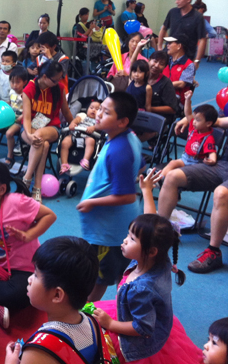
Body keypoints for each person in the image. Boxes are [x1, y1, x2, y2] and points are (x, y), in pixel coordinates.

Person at [93, 213, 202, 363]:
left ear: (151, 251)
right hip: (138, 313)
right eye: (128, 234)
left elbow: (142, 328)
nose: (125, 240)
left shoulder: (141, 290)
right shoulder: (157, 260)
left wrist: (110, 324)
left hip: (138, 335)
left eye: (132, 239)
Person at [0, 160, 56, 329]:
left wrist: (29, 235)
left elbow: (50, 216)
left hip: (22, 268)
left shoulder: (17, 203)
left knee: (24, 295)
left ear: (2, 189)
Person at [77, 92, 143, 302]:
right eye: (99, 109)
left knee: (99, 279)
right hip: (114, 227)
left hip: (109, 232)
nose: (97, 114)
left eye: (105, 112)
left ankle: (86, 313)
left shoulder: (119, 151)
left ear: (122, 122)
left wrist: (91, 202)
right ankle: (121, 308)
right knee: (115, 273)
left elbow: (127, 197)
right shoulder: (128, 137)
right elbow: (140, 168)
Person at [3, 236, 101, 364]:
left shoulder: (38, 351)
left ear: (57, 295)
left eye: (36, 275)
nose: (29, 279)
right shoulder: (92, 322)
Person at [157, 112, 228, 274]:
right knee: (172, 176)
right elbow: (213, 118)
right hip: (223, 164)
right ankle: (159, 231)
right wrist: (188, 118)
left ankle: (214, 252)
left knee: (221, 193)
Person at [21, 61, 73, 202]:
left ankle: (26, 178)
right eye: (55, 80)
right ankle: (37, 187)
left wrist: (73, 125)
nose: (58, 82)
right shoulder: (29, 89)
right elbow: (26, 118)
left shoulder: (59, 88)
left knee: (39, 137)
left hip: (51, 128)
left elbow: (66, 111)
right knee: (43, 145)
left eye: (60, 79)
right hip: (29, 128)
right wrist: (29, 135)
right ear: (44, 77)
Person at [160, 93, 217, 180]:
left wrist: (212, 160)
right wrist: (187, 100)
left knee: (177, 173)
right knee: (172, 163)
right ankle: (160, 178)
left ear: (208, 123)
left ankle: (165, 179)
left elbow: (212, 152)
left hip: (196, 163)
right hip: (185, 158)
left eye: (197, 120)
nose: (194, 121)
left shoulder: (208, 138)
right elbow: (188, 114)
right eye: (194, 119)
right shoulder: (193, 128)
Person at [0, 66, 29, 165]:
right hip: (8, 118)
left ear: (25, 82)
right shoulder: (12, 91)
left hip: (18, 121)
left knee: (9, 133)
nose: (14, 85)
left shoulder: (26, 94)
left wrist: (22, 117)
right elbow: (10, 103)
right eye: (12, 82)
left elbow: (28, 110)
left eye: (18, 82)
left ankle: (10, 156)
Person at [158, 0, 207, 69]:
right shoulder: (172, 12)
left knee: (183, 77)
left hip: (187, 56)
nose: (176, 2)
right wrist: (159, 47)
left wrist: (197, 60)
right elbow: (163, 29)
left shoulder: (198, 17)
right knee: (164, 76)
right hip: (169, 53)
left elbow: (202, 39)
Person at [59, 100, 101, 173]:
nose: (93, 110)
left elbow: (99, 127)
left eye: (97, 109)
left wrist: (94, 128)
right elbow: (76, 120)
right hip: (76, 134)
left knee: (91, 141)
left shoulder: (99, 120)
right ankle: (64, 164)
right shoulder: (83, 115)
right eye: (91, 108)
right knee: (65, 142)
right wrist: (72, 123)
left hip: (88, 136)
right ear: (87, 109)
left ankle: (85, 160)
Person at [162, 34, 195, 109]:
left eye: (170, 43)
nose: (167, 45)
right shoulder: (165, 61)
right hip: (162, 96)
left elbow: (181, 84)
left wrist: (161, 85)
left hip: (176, 102)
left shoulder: (189, 65)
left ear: (179, 46)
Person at [145, 51, 178, 121]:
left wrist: (149, 108)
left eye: (161, 64)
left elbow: (172, 109)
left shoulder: (166, 83)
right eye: (155, 61)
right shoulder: (139, 77)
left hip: (155, 117)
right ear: (149, 60)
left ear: (164, 67)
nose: (157, 65)